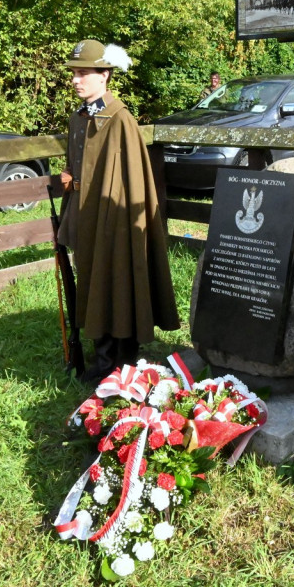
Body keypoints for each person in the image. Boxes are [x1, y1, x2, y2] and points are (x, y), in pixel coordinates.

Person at [56, 39, 180, 384]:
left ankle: (116, 356)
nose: (76, 80)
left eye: (83, 73)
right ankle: (102, 349)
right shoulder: (78, 119)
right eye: (74, 74)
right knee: (91, 280)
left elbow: (131, 178)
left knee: (116, 280)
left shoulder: (119, 119)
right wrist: (69, 184)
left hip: (114, 219)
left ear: (104, 75)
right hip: (85, 217)